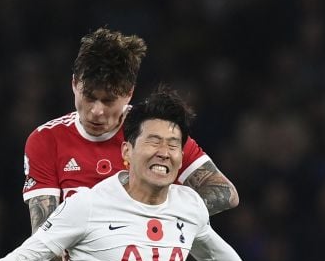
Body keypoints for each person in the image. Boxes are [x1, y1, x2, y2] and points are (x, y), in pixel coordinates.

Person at [0, 87, 257, 261]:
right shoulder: (87, 206)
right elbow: (25, 260)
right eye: (153, 142)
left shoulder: (188, 206)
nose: (163, 153)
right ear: (127, 151)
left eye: (173, 145)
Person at [23, 27, 239, 238]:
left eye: (108, 100)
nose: (97, 111)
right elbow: (43, 234)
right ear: (74, 84)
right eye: (89, 97)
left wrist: (157, 218)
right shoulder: (46, 140)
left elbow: (224, 192)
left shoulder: (156, 129)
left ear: (129, 93)